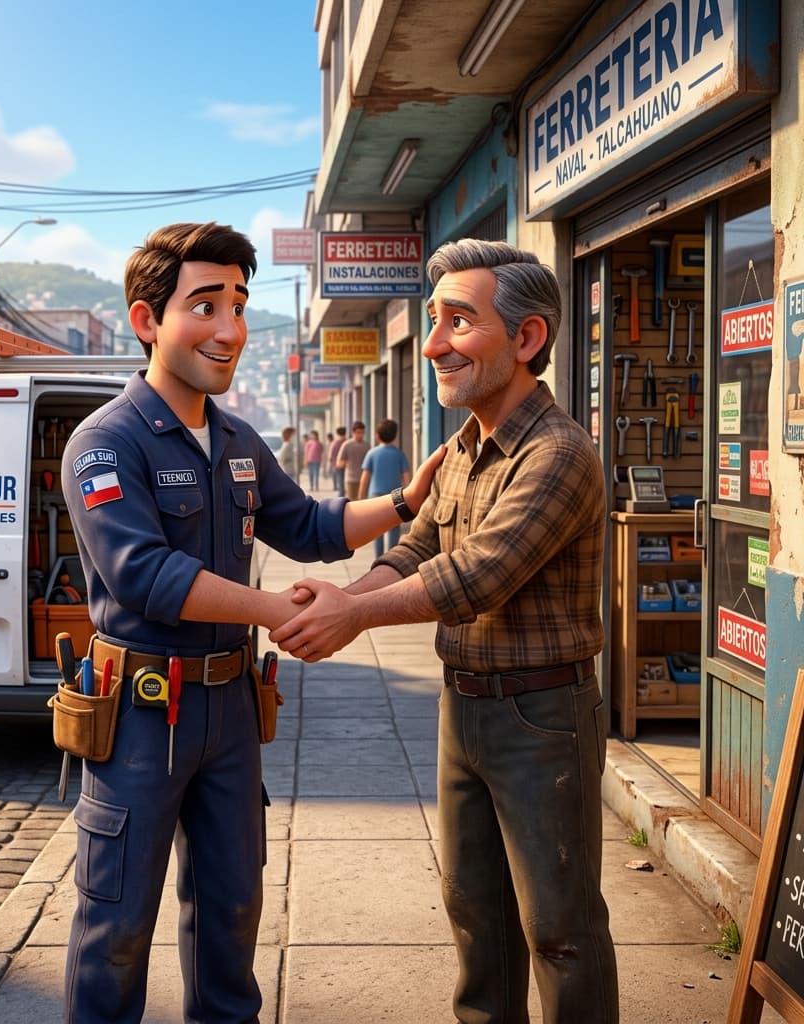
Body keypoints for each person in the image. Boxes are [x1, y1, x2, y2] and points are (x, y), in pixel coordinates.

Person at [59, 221, 443, 1024]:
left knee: (232, 916)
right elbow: (144, 574)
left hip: (230, 711)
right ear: (146, 320)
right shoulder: (105, 442)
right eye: (205, 305)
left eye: (239, 304)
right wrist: (280, 611)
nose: (230, 328)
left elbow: (306, 523)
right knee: (117, 927)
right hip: (140, 713)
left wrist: (409, 501)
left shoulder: (236, 438)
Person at [272, 239, 619, 1024]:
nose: (432, 345)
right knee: (474, 913)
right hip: (464, 708)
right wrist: (345, 597)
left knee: (559, 928)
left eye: (458, 322)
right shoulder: (464, 445)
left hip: (542, 719)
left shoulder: (559, 453)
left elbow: (478, 577)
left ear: (527, 339)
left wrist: (350, 613)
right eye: (433, 321)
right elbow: (421, 547)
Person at [358, 418, 411, 557]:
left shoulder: (372, 453)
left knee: (377, 530)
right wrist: (409, 496)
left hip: (375, 496)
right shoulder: (399, 454)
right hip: (396, 497)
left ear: (377, 435)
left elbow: (365, 477)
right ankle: (391, 559)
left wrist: (360, 498)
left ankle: (378, 559)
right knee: (394, 529)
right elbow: (406, 477)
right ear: (395, 435)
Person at [336, 420, 369, 499]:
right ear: (353, 432)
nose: (360, 435)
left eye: (362, 432)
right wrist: (345, 462)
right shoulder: (347, 445)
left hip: (364, 480)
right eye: (358, 432)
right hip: (351, 480)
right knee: (352, 503)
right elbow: (339, 463)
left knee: (364, 503)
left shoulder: (367, 445)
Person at [327, 425, 346, 494]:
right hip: (347, 465)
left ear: (337, 433)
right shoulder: (347, 442)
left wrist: (331, 465)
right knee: (344, 483)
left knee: (340, 483)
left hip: (337, 465)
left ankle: (341, 498)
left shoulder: (334, 443)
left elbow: (330, 456)